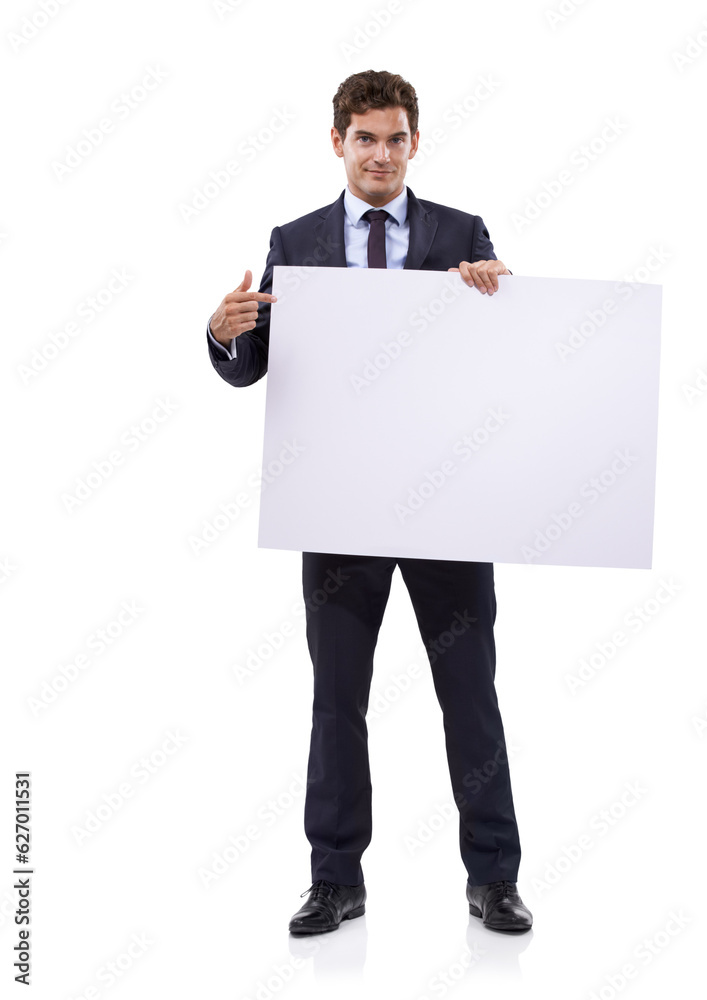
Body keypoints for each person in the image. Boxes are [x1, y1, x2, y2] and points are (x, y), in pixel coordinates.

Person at [206, 70, 532, 935]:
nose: (380, 154)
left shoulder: (460, 231)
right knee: (335, 699)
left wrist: (495, 294)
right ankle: (335, 880)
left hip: (447, 509)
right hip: (338, 506)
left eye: (394, 138)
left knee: (470, 695)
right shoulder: (298, 238)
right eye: (364, 139)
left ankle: (493, 879)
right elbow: (258, 364)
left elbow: (498, 360)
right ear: (337, 144)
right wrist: (223, 334)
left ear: (413, 143)